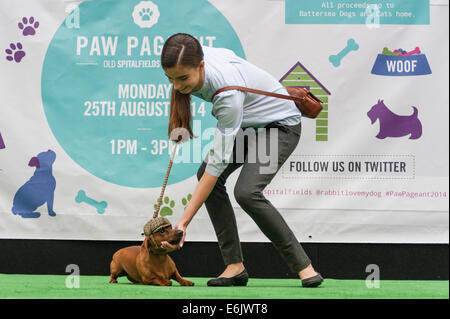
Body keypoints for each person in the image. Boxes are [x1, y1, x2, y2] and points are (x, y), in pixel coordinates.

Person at [159, 33, 323, 287]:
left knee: (247, 192)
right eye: (170, 78)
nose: (178, 86)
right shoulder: (196, 54)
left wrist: (183, 222)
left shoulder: (228, 97)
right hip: (249, 124)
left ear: (201, 66)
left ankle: (304, 267)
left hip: (279, 125)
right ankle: (234, 266)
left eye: (183, 78)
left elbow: (216, 166)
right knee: (207, 179)